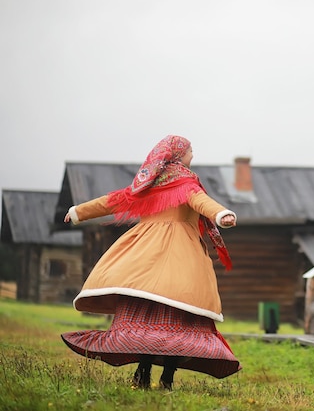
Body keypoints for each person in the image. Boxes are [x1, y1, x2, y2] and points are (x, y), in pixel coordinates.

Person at [61, 135, 241, 390]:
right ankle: (166, 378)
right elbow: (200, 201)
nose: (193, 155)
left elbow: (113, 200)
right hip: (179, 255)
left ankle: (142, 373)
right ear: (179, 155)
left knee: (144, 316)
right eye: (190, 150)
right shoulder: (186, 182)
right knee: (179, 316)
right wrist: (221, 213)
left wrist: (79, 211)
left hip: (143, 255)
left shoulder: (146, 184)